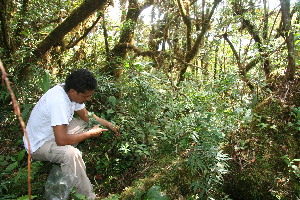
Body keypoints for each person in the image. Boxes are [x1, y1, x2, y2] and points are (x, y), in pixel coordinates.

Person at [23, 69, 119, 199]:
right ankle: (87, 196)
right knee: (71, 154)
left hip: (54, 133)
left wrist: (109, 124)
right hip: (39, 145)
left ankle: (68, 166)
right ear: (73, 91)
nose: (88, 99)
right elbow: (61, 140)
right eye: (85, 96)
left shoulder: (69, 92)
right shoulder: (59, 102)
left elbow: (86, 116)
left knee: (85, 124)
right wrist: (90, 134)